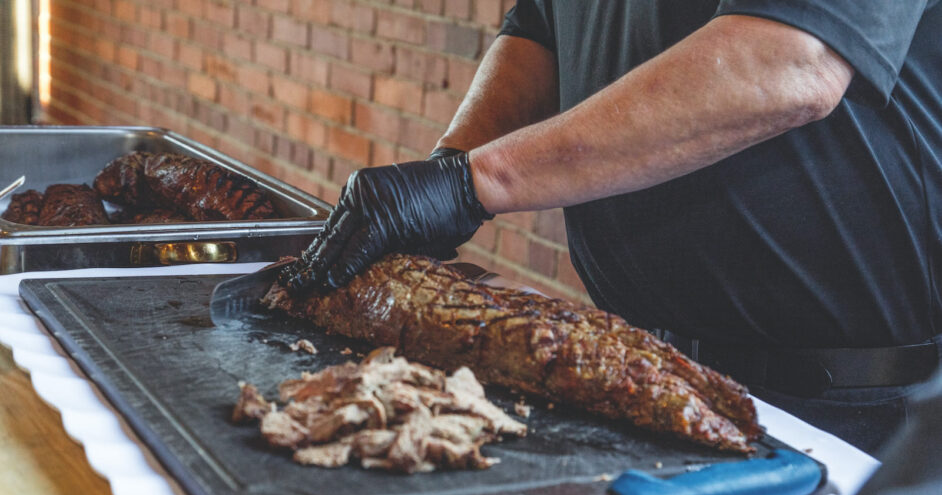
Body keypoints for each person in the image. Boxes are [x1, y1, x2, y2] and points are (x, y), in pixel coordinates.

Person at [283, 1, 942, 456]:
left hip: (844, 409)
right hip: (630, 374)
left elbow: (791, 59)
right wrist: (448, 171)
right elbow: (538, 29)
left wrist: (479, 183)